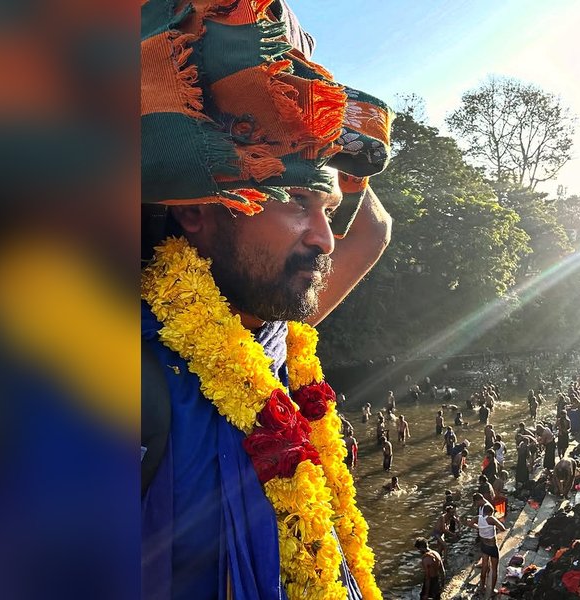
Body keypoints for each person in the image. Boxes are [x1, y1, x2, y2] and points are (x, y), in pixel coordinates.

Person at [140, 1, 394, 598]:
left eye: (327, 210)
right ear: (198, 211)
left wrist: (327, 125)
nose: (324, 236)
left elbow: (375, 230)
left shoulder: (276, 337)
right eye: (295, 202)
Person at [468, 504, 506, 595]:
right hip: (492, 547)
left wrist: (479, 527)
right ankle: (492, 590)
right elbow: (503, 528)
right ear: (490, 512)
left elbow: (469, 523)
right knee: (494, 569)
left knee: (484, 566)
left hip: (484, 545)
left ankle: (482, 587)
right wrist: (496, 521)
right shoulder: (491, 519)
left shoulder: (478, 517)